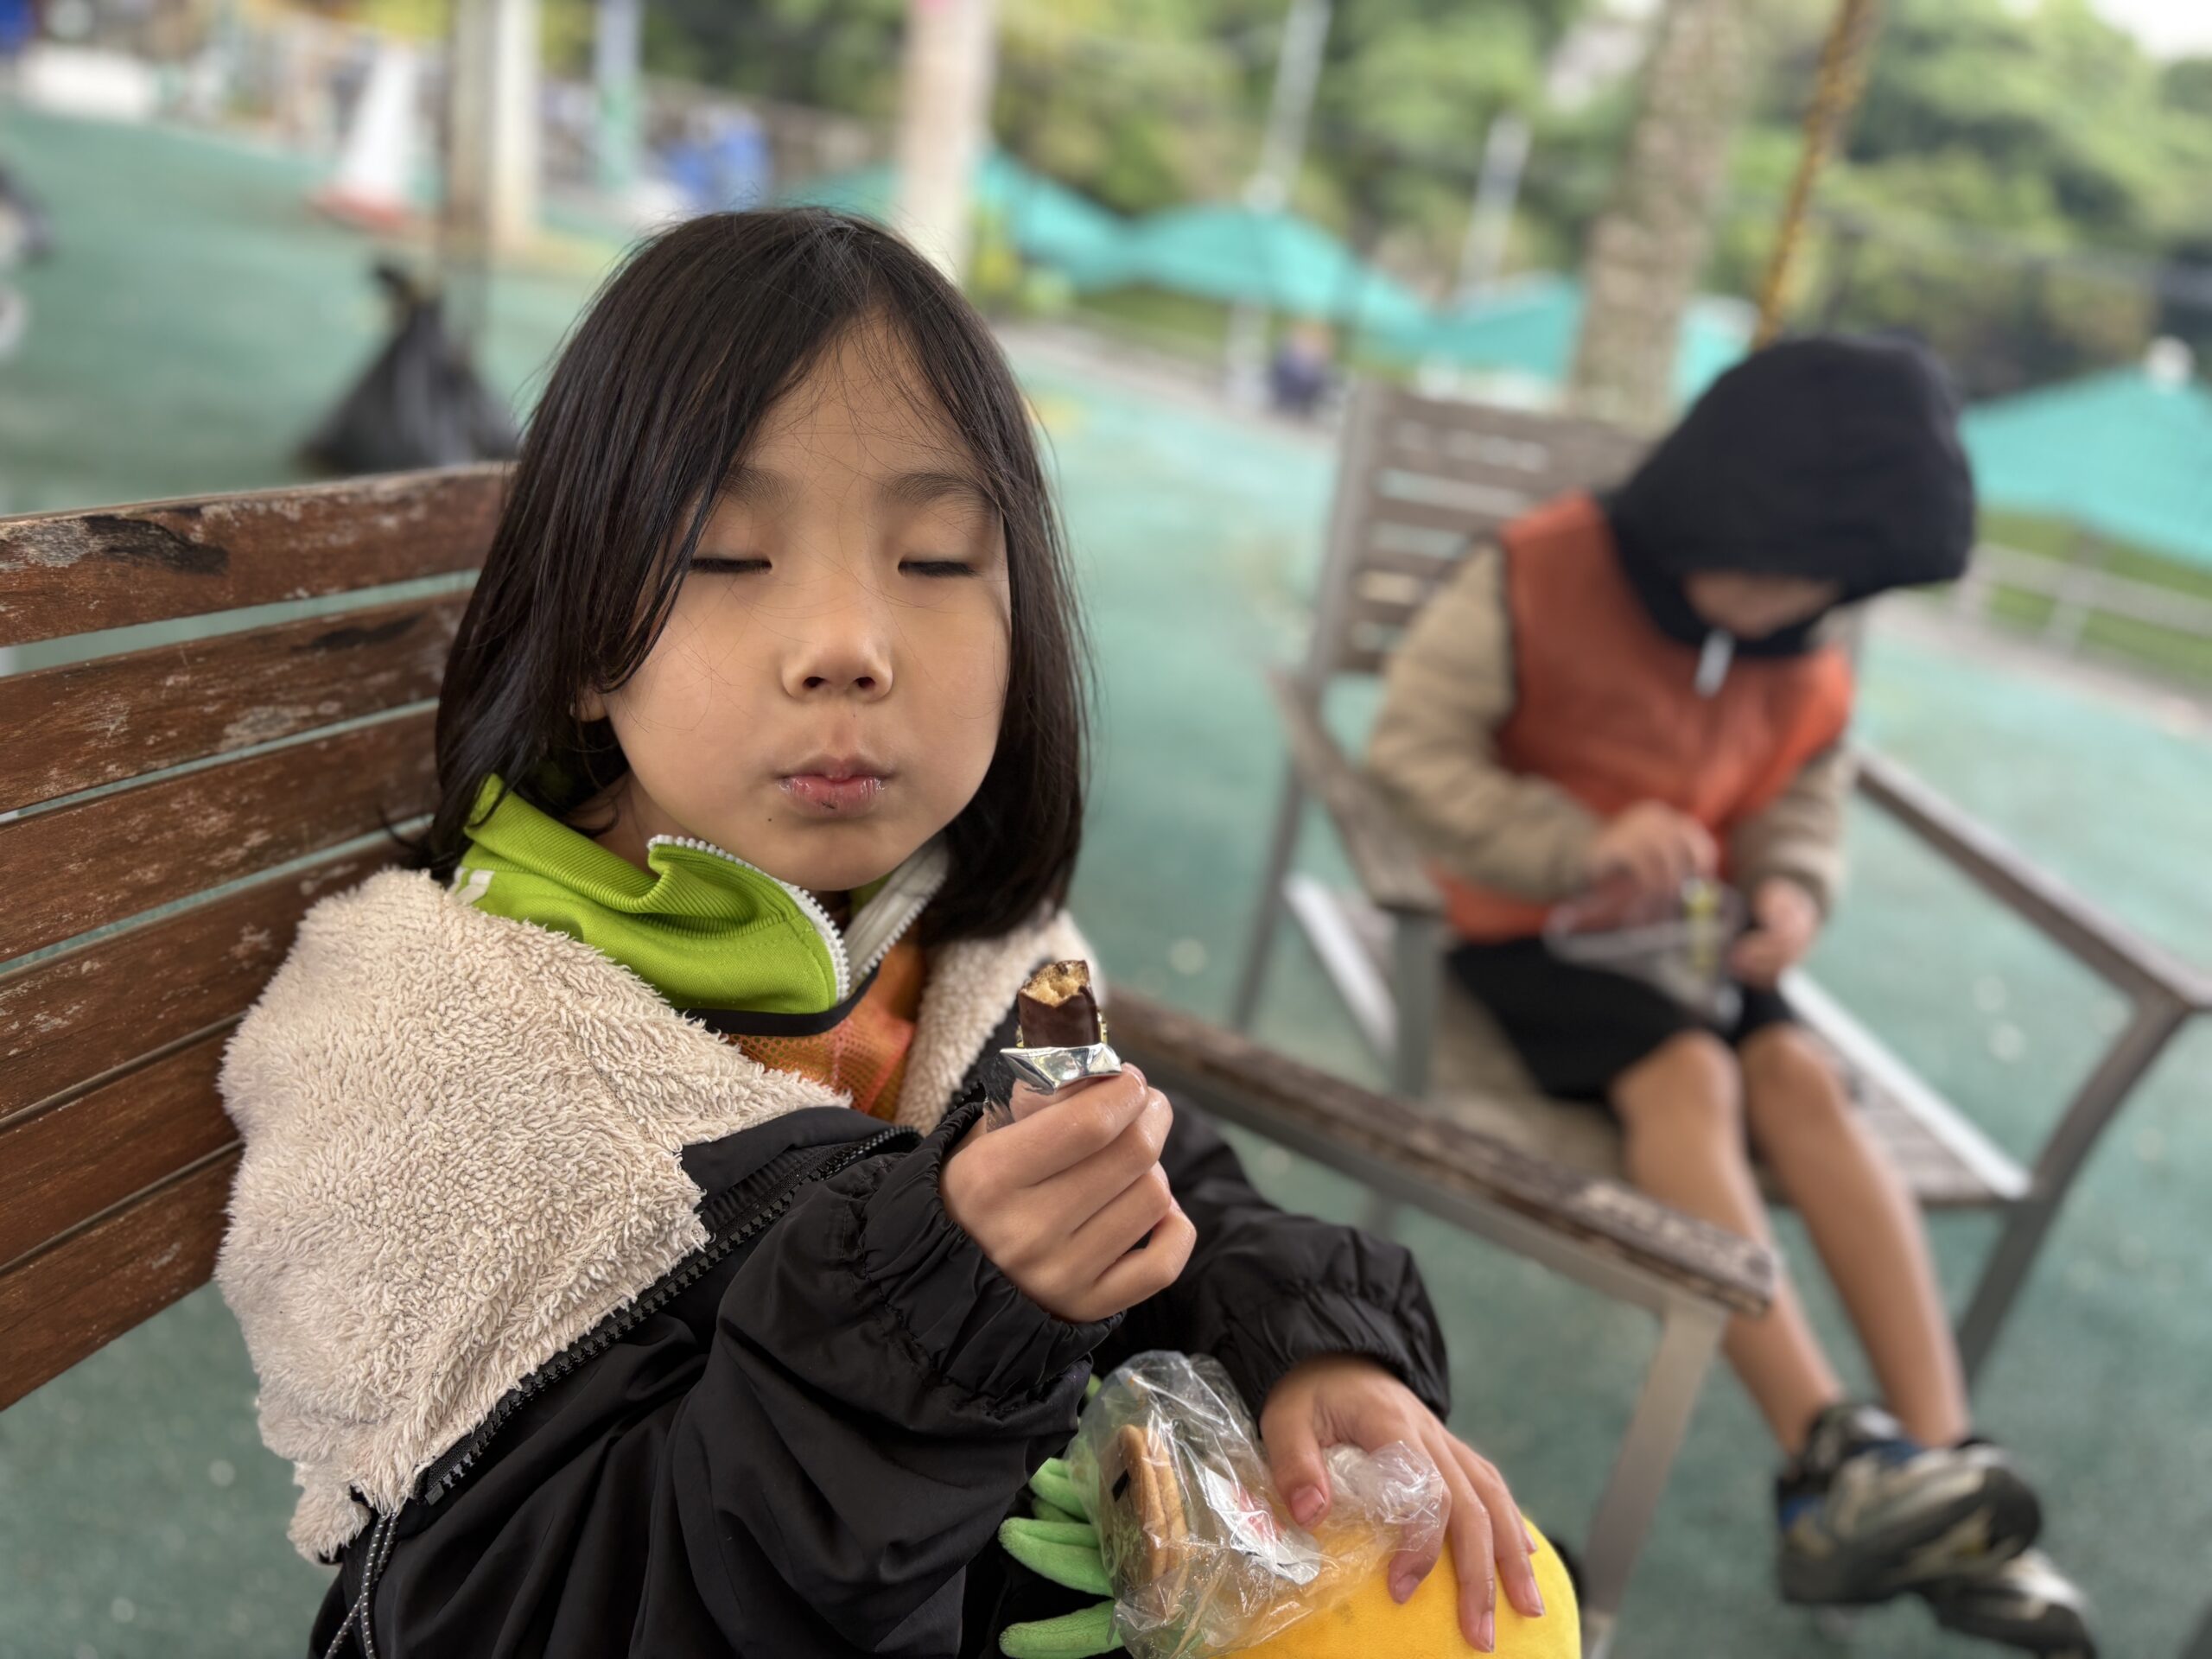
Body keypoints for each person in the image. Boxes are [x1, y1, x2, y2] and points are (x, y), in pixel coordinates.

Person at [214, 209, 1557, 1658]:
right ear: (590, 637)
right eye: (729, 555)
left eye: (934, 560)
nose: (850, 644)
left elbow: (1167, 1184)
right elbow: (536, 1605)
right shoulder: (424, 1061)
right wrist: (939, 1315)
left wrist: (1302, 1345)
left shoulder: (968, 948)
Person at [1365, 337, 2094, 1655]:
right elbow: (1414, 753)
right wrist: (1579, 840)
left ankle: (1946, 1469)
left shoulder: (1810, 639)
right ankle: (1829, 1454)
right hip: (1533, 928)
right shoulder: (1535, 571)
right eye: (1757, 572)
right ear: (1695, 509)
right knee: (1688, 1075)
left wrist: (1795, 891)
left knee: (1803, 1078)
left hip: (1696, 943)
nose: (1776, 609)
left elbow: (1806, 793)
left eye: (1813, 589)